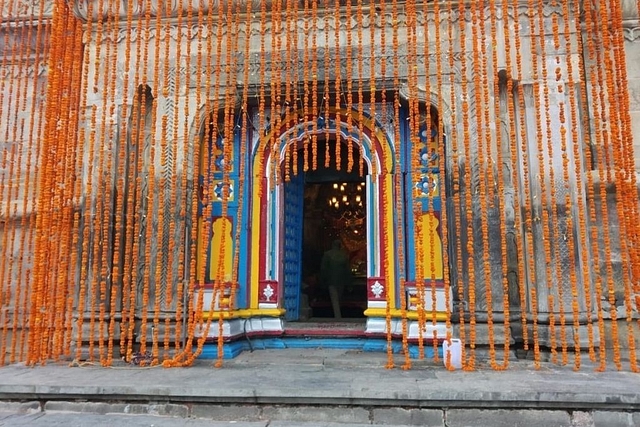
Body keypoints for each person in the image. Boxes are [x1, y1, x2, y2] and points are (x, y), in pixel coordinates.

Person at [320, 239, 352, 319]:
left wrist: (322, 281)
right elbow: (348, 270)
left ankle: (338, 317)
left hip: (331, 280)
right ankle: (338, 315)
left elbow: (323, 269)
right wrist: (349, 283)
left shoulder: (327, 254)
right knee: (339, 298)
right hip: (341, 280)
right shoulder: (344, 255)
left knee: (335, 299)